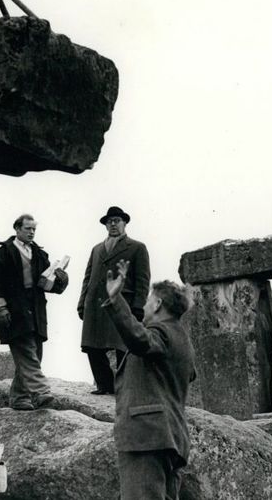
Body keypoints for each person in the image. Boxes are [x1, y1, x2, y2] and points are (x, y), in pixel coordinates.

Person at [102, 259, 196, 500]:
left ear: (157, 303)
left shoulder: (162, 333)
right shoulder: (181, 337)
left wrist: (116, 301)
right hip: (169, 437)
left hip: (146, 437)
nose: (143, 305)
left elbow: (140, 340)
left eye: (146, 300)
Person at [0, 214, 69, 410]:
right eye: (27, 228)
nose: (31, 232)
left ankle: (19, 397)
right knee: (27, 353)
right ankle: (40, 392)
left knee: (35, 354)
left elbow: (48, 286)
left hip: (37, 310)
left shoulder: (40, 254)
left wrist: (61, 279)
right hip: (14, 311)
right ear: (17, 229)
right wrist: (1, 308)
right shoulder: (3, 253)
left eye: (34, 229)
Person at [78, 206, 150, 395]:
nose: (113, 224)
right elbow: (88, 277)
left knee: (123, 347)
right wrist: (82, 302)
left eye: (117, 220)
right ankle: (104, 385)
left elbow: (143, 280)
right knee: (92, 346)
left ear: (124, 223)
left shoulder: (137, 247)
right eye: (109, 221)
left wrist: (138, 306)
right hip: (95, 305)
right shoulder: (96, 249)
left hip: (121, 304)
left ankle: (124, 387)